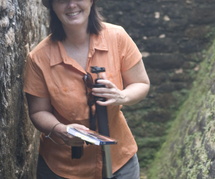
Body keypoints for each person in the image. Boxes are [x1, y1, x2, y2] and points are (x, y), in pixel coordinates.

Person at [23, 0, 150, 178]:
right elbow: (37, 112)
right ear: (52, 6)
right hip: (62, 168)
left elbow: (141, 84)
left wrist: (121, 96)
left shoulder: (117, 37)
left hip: (119, 162)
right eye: (61, 0)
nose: (71, 5)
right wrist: (61, 130)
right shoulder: (39, 58)